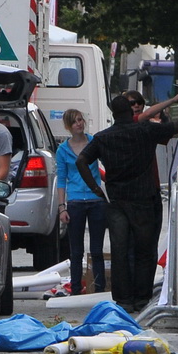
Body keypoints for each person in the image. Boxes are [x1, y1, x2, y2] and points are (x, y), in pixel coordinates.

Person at [76, 93, 178, 311]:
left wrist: (95, 188)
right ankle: (142, 298)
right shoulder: (146, 130)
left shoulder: (103, 138)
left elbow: (82, 160)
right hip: (144, 199)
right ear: (131, 112)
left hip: (116, 200)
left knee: (120, 250)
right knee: (145, 250)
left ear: (114, 114)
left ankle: (123, 300)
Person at [54, 108, 107, 297]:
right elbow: (62, 179)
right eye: (75, 121)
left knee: (97, 249)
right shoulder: (62, 150)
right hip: (75, 200)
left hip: (95, 200)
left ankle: (99, 289)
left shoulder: (93, 142)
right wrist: (62, 207)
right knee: (76, 251)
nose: (79, 124)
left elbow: (102, 166)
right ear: (68, 126)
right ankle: (76, 290)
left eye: (81, 120)